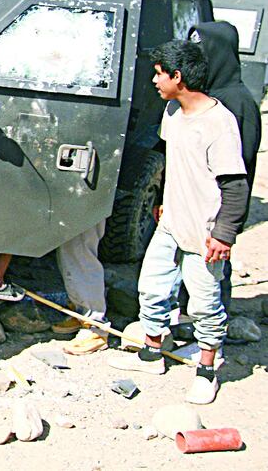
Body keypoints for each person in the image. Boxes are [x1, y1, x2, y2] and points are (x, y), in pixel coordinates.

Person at [109, 40, 248, 405]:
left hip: (203, 232)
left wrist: (224, 234)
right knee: (152, 288)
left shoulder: (219, 123)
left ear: (178, 76)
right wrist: (164, 203)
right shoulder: (172, 112)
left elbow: (235, 185)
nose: (155, 80)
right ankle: (151, 353)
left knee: (204, 304)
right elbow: (174, 161)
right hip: (170, 223)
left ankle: (206, 369)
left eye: (159, 74)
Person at [183, 21, 261, 310]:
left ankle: (211, 334)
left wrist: (225, 228)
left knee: (211, 276)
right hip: (193, 210)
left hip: (215, 214)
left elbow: (237, 174)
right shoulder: (204, 95)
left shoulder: (237, 103)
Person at [52, 222, 110, 355]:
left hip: (84, 204)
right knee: (69, 250)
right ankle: (81, 313)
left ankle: (95, 328)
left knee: (80, 249)